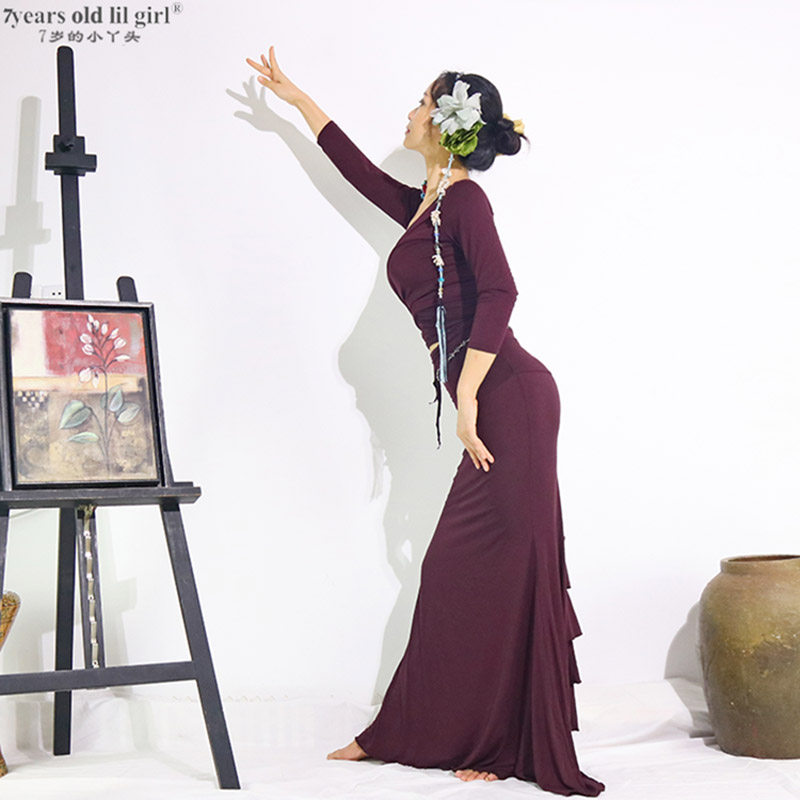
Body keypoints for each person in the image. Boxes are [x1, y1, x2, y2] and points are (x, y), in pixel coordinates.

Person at [246, 46, 605, 797]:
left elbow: (501, 291)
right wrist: (295, 99)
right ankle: (433, 733)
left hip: (511, 400)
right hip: (495, 400)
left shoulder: (466, 202)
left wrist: (466, 397)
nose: (408, 112)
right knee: (463, 572)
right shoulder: (430, 204)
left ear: (445, 124)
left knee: (493, 571)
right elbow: (355, 170)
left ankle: (504, 742)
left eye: (420, 102)